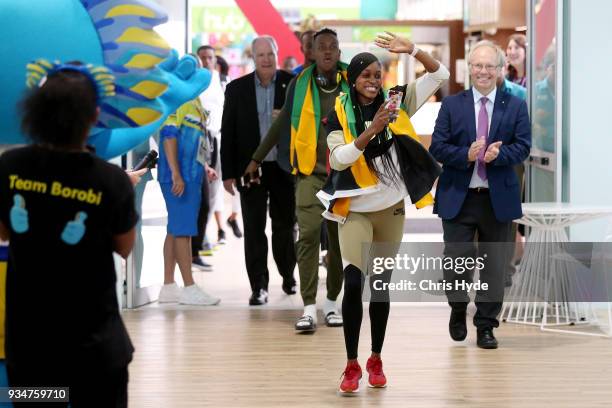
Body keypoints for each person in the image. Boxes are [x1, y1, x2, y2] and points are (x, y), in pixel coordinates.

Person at [0, 60, 136, 406]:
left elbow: (2, 232)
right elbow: (124, 247)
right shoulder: (111, 180)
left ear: (36, 113)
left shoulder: (9, 168)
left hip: (30, 346)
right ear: (93, 117)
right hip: (96, 348)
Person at [319, 33, 448, 394]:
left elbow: (440, 77)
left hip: (390, 210)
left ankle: (375, 357)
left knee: (380, 287)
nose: (374, 82)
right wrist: (370, 131)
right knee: (355, 283)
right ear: (352, 79)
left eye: (378, 75)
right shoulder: (337, 117)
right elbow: (338, 158)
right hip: (355, 211)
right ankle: (350, 364)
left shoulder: (398, 101)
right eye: (366, 76)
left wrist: (415, 51)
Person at [429, 40, 531, 349]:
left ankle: (486, 325)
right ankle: (458, 309)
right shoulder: (452, 104)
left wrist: (499, 155)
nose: (482, 71)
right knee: (457, 260)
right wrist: (466, 154)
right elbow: (437, 146)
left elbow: (524, 145)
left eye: (489, 66)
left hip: (497, 197)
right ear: (469, 69)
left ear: (501, 70)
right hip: (458, 195)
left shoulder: (514, 105)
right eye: (477, 65)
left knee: (494, 265)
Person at [245, 28, 346, 331]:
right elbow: (280, 124)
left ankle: (332, 302)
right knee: (308, 238)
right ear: (312, 53)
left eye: (332, 47)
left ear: (339, 52)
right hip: (308, 174)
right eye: (321, 47)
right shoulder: (299, 84)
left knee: (339, 244)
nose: (327, 52)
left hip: (344, 178)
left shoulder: (352, 82)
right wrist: (256, 158)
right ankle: (309, 307)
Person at [221, 35, 297, 305]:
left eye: (270, 54)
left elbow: (305, 125)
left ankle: (288, 276)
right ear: (253, 58)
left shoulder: (292, 84)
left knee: (285, 227)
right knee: (253, 228)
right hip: (250, 168)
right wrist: (228, 173)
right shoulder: (236, 89)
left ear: (277, 53)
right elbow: (227, 132)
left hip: (284, 168)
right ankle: (259, 287)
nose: (266, 59)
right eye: (260, 55)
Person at [157, 82, 220, 306]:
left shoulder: (195, 102)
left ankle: (168, 287)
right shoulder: (179, 100)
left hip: (190, 174)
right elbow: (169, 134)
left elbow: (193, 143)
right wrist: (175, 173)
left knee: (175, 229)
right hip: (179, 177)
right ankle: (189, 287)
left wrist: (204, 167)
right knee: (183, 230)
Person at [197, 45, 233, 247]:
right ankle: (200, 238)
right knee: (202, 190)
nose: (206, 61)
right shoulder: (194, 81)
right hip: (200, 139)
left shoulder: (221, 80)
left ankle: (204, 235)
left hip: (217, 138)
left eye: (209, 57)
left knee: (214, 188)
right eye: (202, 57)